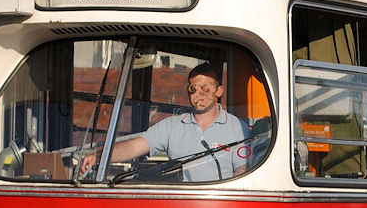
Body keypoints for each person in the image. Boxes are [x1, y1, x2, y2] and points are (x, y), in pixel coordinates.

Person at [81, 63, 247, 181]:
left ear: (219, 91)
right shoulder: (171, 126)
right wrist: (99, 156)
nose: (199, 95)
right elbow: (134, 147)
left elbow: (242, 171)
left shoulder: (238, 128)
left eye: (206, 88)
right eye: (193, 89)